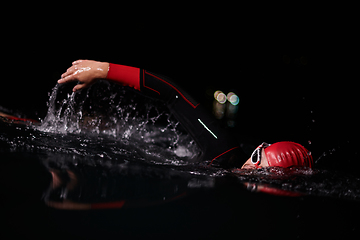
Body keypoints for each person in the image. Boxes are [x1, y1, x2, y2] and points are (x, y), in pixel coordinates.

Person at [58, 60, 314, 169]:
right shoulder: (224, 151)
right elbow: (173, 94)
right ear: (256, 149)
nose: (249, 169)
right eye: (257, 156)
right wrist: (104, 69)